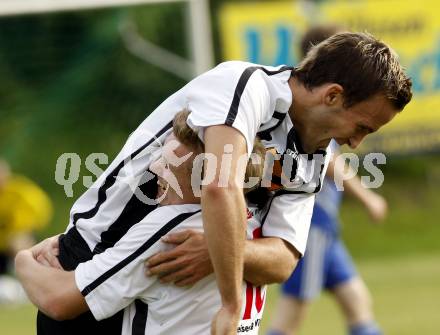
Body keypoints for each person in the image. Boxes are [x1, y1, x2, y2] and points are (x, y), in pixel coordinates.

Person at [29, 32, 411, 335]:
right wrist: (231, 301)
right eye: (362, 126)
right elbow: (219, 186)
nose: (357, 143)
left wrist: (221, 250)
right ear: (332, 95)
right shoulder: (246, 85)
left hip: (173, 270)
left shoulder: (314, 155)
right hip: (101, 257)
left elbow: (282, 260)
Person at [16, 110, 269, 334]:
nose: (156, 168)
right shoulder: (253, 219)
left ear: (204, 183)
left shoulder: (172, 229)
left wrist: (24, 259)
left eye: (170, 165)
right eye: (160, 156)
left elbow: (58, 301)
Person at [267, 25, 389, 335]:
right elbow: (332, 165)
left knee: (357, 302)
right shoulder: (322, 112)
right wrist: (368, 198)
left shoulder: (327, 108)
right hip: (310, 225)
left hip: (326, 229)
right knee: (290, 316)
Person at [0, 159, 52, 304]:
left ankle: (35, 280)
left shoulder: (19, 192)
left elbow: (41, 211)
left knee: (18, 239)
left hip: (14, 245)